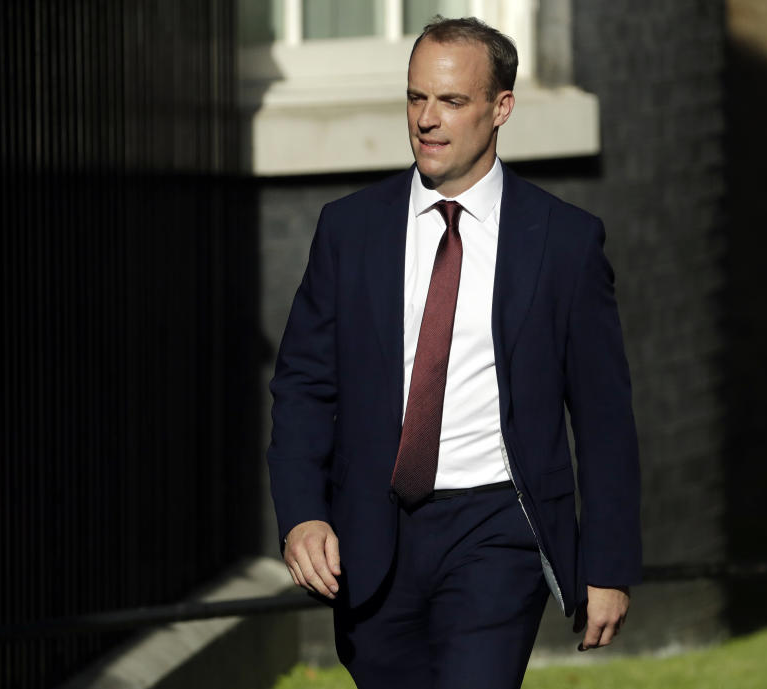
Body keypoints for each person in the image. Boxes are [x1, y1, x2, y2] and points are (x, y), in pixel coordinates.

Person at [268, 16, 641, 689]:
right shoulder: (349, 230)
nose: (427, 120)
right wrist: (301, 513)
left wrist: (609, 563)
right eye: (416, 98)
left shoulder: (563, 243)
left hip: (499, 528)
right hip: (373, 533)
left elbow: (604, 417)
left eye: (452, 101)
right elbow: (302, 386)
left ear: (502, 108)